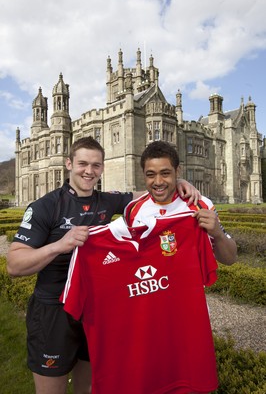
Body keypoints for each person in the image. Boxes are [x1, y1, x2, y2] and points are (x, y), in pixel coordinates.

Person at [7, 136, 200, 394]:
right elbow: (14, 265)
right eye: (83, 164)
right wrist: (59, 245)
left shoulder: (108, 201)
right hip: (54, 311)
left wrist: (179, 181)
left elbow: (151, 191)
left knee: (89, 386)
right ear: (68, 164)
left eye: (96, 165)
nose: (89, 171)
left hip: (96, 310)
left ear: (103, 168)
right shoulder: (45, 207)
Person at [61, 140, 237, 393]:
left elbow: (230, 258)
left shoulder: (199, 206)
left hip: (184, 320)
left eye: (166, 173)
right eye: (151, 174)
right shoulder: (134, 210)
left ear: (178, 172)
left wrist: (218, 233)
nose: (158, 181)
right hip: (146, 318)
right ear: (143, 175)